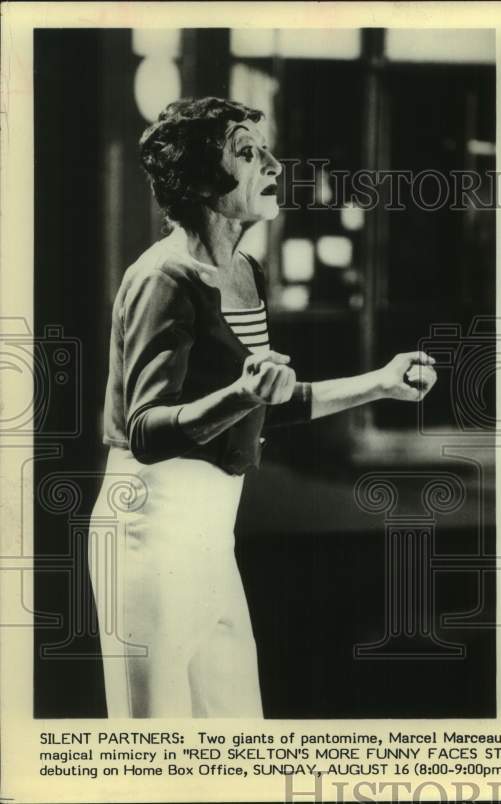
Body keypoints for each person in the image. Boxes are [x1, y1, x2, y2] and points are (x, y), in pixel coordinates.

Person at [88, 97, 438, 718]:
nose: (272, 163)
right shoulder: (163, 278)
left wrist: (379, 384)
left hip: (210, 536)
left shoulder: (247, 271)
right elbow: (147, 429)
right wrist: (243, 392)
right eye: (247, 153)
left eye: (264, 150)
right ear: (201, 181)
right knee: (153, 756)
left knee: (237, 735)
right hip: (148, 530)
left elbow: (263, 403)